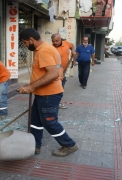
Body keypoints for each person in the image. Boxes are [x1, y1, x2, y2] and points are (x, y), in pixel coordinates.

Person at [18, 28, 78, 157]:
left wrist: (31, 87)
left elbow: (52, 74)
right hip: (42, 93)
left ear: (31, 39)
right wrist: (30, 86)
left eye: (25, 42)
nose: (25, 45)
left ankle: (69, 145)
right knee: (35, 121)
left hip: (49, 95)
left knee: (49, 122)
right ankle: (35, 145)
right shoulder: (43, 49)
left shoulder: (44, 50)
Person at [51, 33, 77, 109]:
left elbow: (72, 45)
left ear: (61, 39)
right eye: (53, 41)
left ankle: (57, 102)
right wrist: (59, 71)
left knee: (61, 87)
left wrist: (73, 51)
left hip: (64, 70)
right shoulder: (52, 48)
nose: (55, 43)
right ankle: (56, 103)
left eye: (57, 41)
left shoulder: (66, 43)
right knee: (58, 88)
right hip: (56, 71)